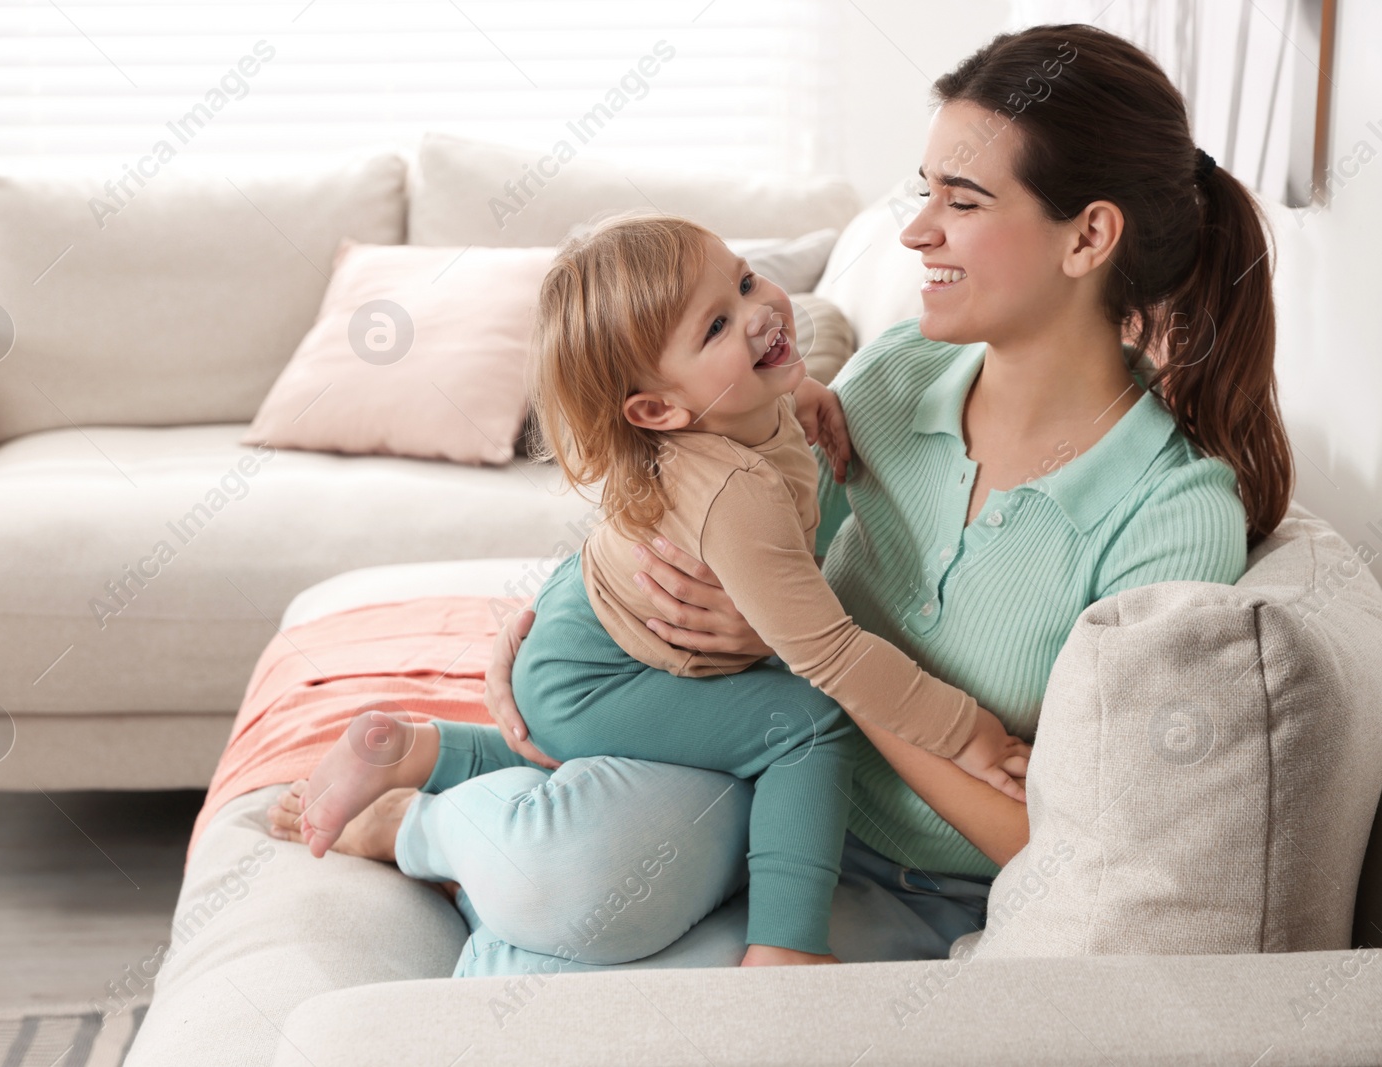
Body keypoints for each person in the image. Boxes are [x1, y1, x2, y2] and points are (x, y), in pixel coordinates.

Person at [269, 20, 1291, 977]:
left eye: (963, 202)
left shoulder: (1170, 517)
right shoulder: (895, 378)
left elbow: (1066, 848)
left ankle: (418, 830)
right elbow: (717, 502)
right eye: (921, 191)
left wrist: (812, 667)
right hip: (756, 790)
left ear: (1087, 237)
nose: (917, 233)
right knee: (568, 876)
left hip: (914, 884)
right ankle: (427, 813)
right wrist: (557, 618)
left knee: (567, 938)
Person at [286, 212, 1032, 969]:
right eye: (716, 326)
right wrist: (964, 730)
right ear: (658, 412)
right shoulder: (732, 492)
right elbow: (828, 654)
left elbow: (766, 421)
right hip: (594, 675)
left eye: (744, 281)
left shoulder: (745, 409)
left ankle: (422, 750)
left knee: (647, 766)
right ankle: (786, 948)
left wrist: (805, 398)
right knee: (807, 726)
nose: (758, 312)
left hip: (590, 627)